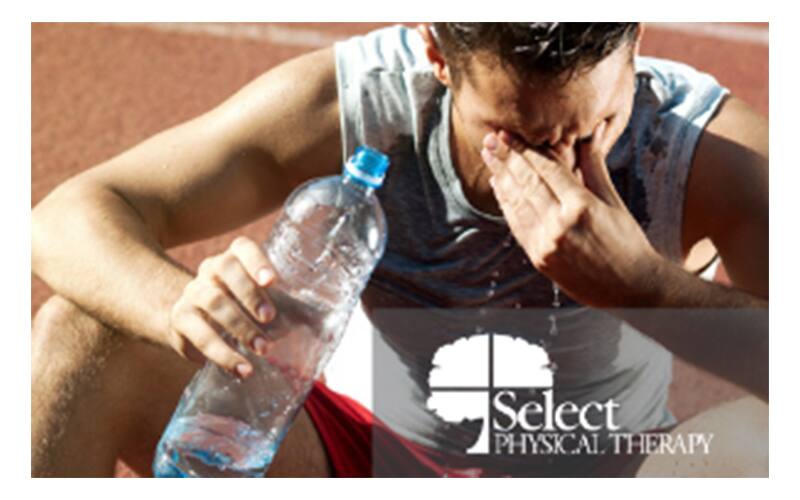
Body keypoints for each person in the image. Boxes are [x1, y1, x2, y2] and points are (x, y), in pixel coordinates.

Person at [31, 23, 768, 477]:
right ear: (435, 54)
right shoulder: (357, 106)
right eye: (516, 134)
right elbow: (65, 217)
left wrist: (642, 288)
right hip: (378, 460)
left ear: (634, 43)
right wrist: (180, 303)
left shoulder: (703, 149)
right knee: (82, 336)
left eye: (593, 126)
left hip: (602, 469)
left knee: (761, 444)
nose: (562, 163)